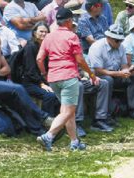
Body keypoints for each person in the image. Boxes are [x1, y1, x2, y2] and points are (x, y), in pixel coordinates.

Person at [0, 15, 49, 136]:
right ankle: (43, 117)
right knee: (18, 89)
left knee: (18, 100)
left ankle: (39, 131)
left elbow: (7, 69)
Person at [36, 7, 98, 150]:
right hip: (68, 76)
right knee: (68, 112)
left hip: (53, 78)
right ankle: (48, 136)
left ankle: (75, 142)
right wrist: (92, 74)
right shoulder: (72, 36)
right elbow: (80, 60)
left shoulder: (49, 37)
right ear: (69, 21)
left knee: (67, 110)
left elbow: (39, 58)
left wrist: (44, 73)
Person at [89, 22, 134, 121]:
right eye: (117, 41)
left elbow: (124, 66)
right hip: (99, 76)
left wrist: (128, 71)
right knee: (108, 80)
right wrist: (119, 73)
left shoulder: (121, 47)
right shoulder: (97, 47)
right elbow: (98, 71)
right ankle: (106, 114)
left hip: (116, 74)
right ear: (108, 37)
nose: (119, 43)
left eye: (121, 40)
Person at [15, 22, 60, 117]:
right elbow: (30, 70)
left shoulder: (47, 47)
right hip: (29, 82)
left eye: (46, 32)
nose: (44, 34)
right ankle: (47, 121)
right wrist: (42, 84)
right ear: (34, 32)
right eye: (41, 31)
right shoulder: (30, 47)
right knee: (50, 95)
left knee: (60, 92)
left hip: (42, 79)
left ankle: (58, 122)